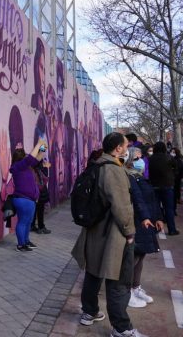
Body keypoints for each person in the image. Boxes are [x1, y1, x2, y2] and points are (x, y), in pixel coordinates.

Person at [73, 133, 148, 337]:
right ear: (117, 148)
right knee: (119, 281)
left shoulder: (96, 165)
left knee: (93, 272)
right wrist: (130, 232)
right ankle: (121, 327)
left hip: (95, 230)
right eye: (125, 146)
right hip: (113, 234)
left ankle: (89, 312)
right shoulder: (113, 170)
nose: (127, 149)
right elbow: (122, 207)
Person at [124, 147, 164, 309]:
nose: (140, 161)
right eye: (136, 158)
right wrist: (147, 217)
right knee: (133, 256)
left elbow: (152, 199)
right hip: (138, 220)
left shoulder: (140, 176)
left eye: (141, 158)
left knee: (141, 255)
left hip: (146, 220)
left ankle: (135, 287)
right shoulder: (129, 177)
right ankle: (127, 292)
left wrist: (158, 218)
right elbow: (138, 200)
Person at [10, 139, 48, 252]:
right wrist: (38, 144)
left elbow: (39, 157)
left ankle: (26, 241)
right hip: (23, 199)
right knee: (23, 221)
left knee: (28, 221)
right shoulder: (18, 166)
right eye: (25, 155)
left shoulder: (26, 167)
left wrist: (43, 147)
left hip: (30, 200)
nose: (27, 156)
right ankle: (21, 245)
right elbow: (31, 158)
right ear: (21, 157)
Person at [148, 142, 179, 235]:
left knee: (155, 207)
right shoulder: (169, 157)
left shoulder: (151, 158)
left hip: (154, 185)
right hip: (167, 185)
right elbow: (177, 169)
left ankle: (155, 229)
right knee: (169, 208)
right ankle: (172, 229)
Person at [31, 159, 52, 234]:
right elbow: (45, 178)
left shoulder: (32, 169)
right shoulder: (39, 169)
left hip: (35, 192)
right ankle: (41, 227)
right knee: (40, 209)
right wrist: (45, 166)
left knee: (35, 209)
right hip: (40, 192)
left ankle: (33, 225)